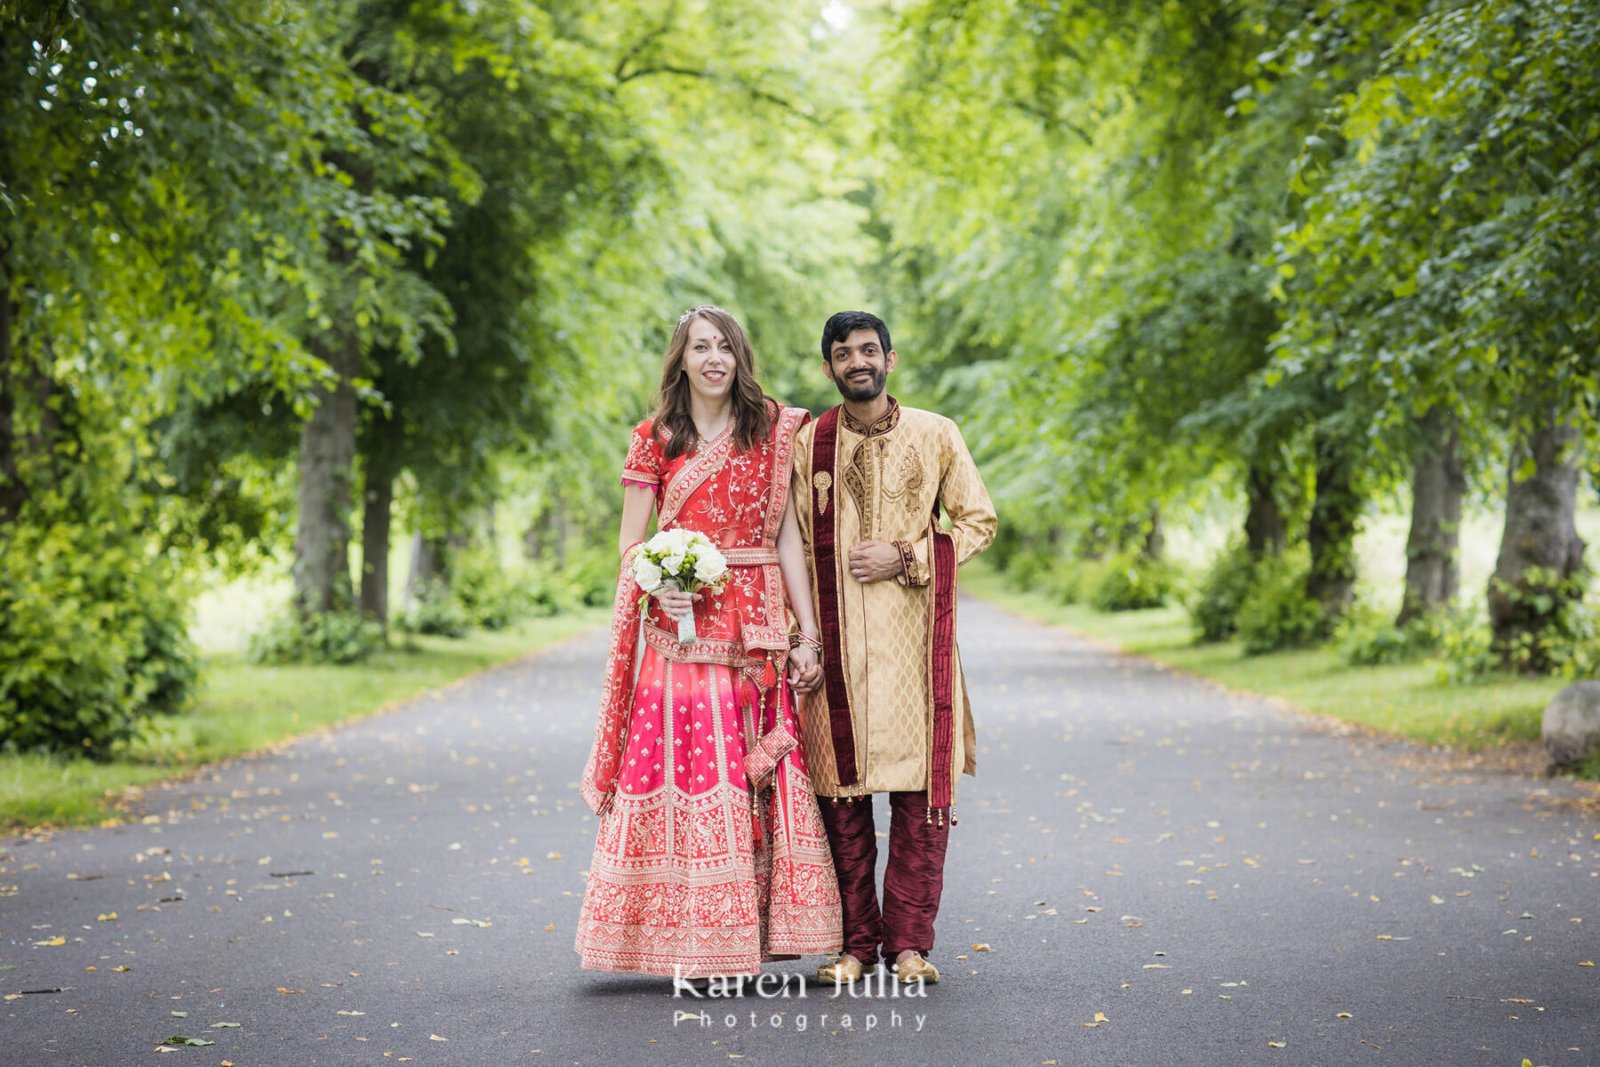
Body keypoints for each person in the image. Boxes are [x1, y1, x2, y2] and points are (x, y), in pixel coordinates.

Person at [575, 305, 841, 980]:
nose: (714, 357)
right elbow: (632, 542)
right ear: (682, 360)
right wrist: (656, 581)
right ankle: (674, 936)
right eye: (701, 347)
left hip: (754, 626)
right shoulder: (654, 438)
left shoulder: (773, 429)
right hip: (680, 626)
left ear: (740, 356)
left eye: (725, 345)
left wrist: (807, 632)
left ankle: (743, 937)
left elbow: (784, 537)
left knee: (748, 769)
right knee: (691, 767)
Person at [791, 310, 997, 986]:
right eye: (844, 353)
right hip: (838, 650)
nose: (858, 361)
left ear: (891, 358)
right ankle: (856, 945)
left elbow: (977, 521)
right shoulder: (808, 445)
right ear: (828, 366)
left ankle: (910, 946)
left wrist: (908, 554)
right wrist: (800, 639)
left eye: (869, 350)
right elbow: (787, 540)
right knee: (841, 801)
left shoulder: (937, 434)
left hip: (915, 650)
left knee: (918, 802)